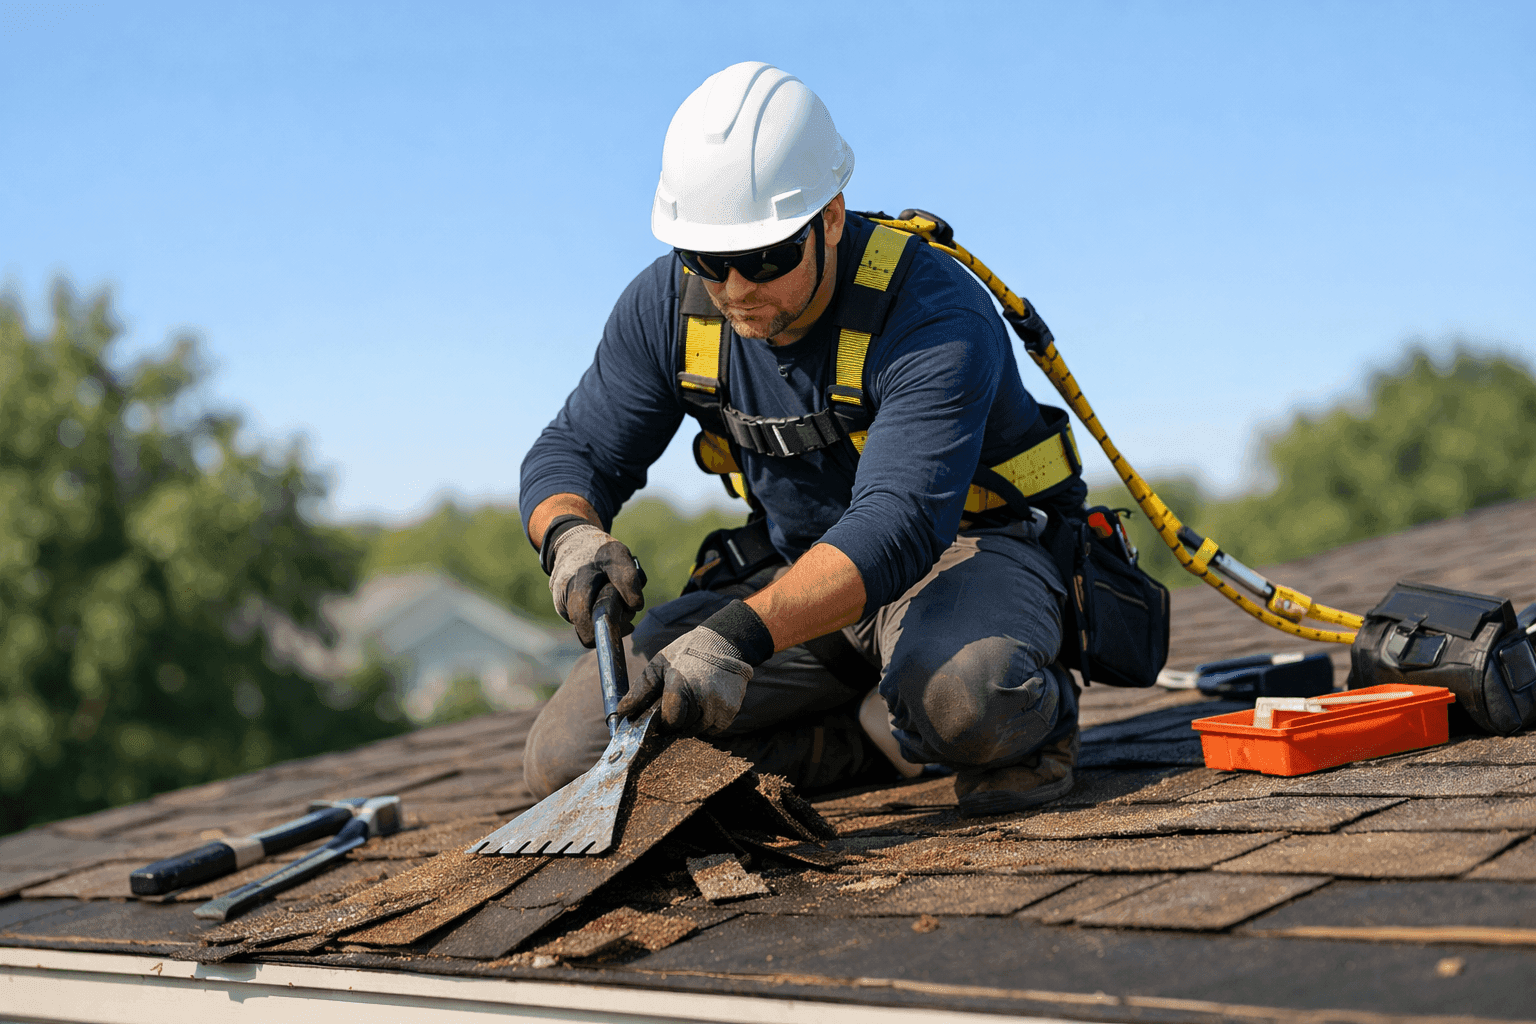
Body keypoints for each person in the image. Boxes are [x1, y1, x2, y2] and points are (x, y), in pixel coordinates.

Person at [519, 61, 1088, 816]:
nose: (735, 288)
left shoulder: (932, 310)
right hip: (800, 580)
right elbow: (575, 450)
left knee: (969, 698)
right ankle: (862, 743)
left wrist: (737, 639)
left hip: (961, 558)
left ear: (830, 216)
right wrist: (569, 537)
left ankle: (1025, 725)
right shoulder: (671, 308)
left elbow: (898, 526)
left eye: (764, 258)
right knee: (571, 759)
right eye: (707, 261)